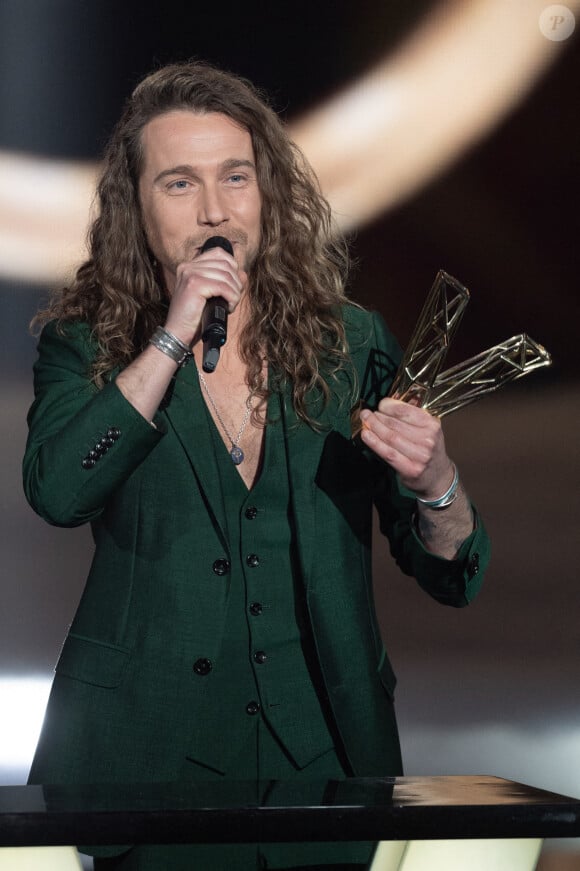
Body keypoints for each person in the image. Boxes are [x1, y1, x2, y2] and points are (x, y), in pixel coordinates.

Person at [23, 60, 489, 871]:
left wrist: (437, 484)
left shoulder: (350, 343)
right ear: (136, 206)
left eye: (235, 177)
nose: (214, 208)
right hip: (147, 770)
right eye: (178, 183)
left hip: (327, 763)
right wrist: (168, 340)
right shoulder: (88, 345)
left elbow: (448, 569)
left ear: (267, 189)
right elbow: (59, 490)